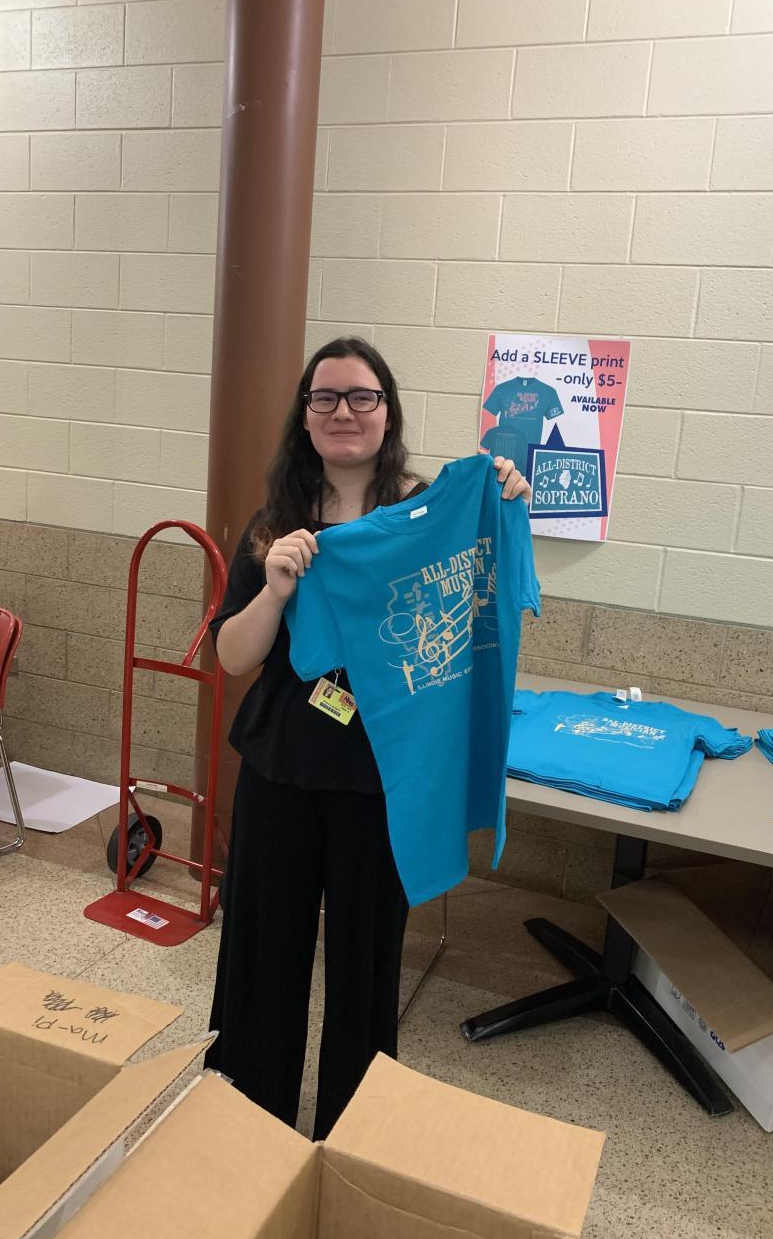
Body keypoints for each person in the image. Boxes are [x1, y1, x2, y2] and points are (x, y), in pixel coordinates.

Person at [206, 336, 531, 1140]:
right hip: (282, 771)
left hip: (387, 780)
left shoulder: (433, 516)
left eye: (362, 396)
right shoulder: (275, 527)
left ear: (388, 413)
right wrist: (275, 590)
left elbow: (486, 591)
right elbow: (232, 656)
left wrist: (504, 498)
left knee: (366, 967)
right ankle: (246, 1133)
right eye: (325, 398)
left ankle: (349, 1142)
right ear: (304, 417)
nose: (343, 411)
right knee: (261, 960)